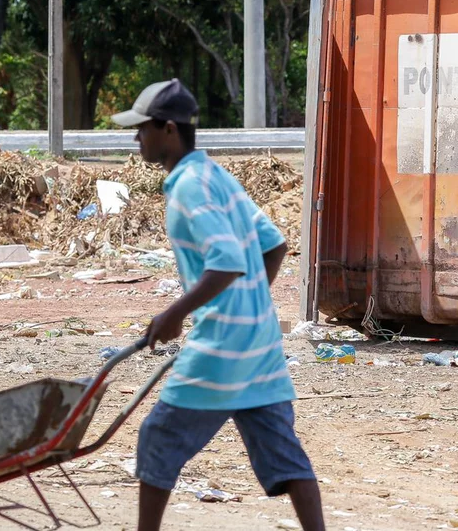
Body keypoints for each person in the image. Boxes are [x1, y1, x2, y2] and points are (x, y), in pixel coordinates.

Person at [111, 80, 325, 531]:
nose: (137, 139)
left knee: (157, 437)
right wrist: (252, 306)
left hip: (221, 347)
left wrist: (174, 314)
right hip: (260, 344)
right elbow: (275, 245)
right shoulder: (216, 175)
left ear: (169, 129)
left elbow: (225, 262)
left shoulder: (187, 186)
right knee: (285, 457)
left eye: (143, 130)